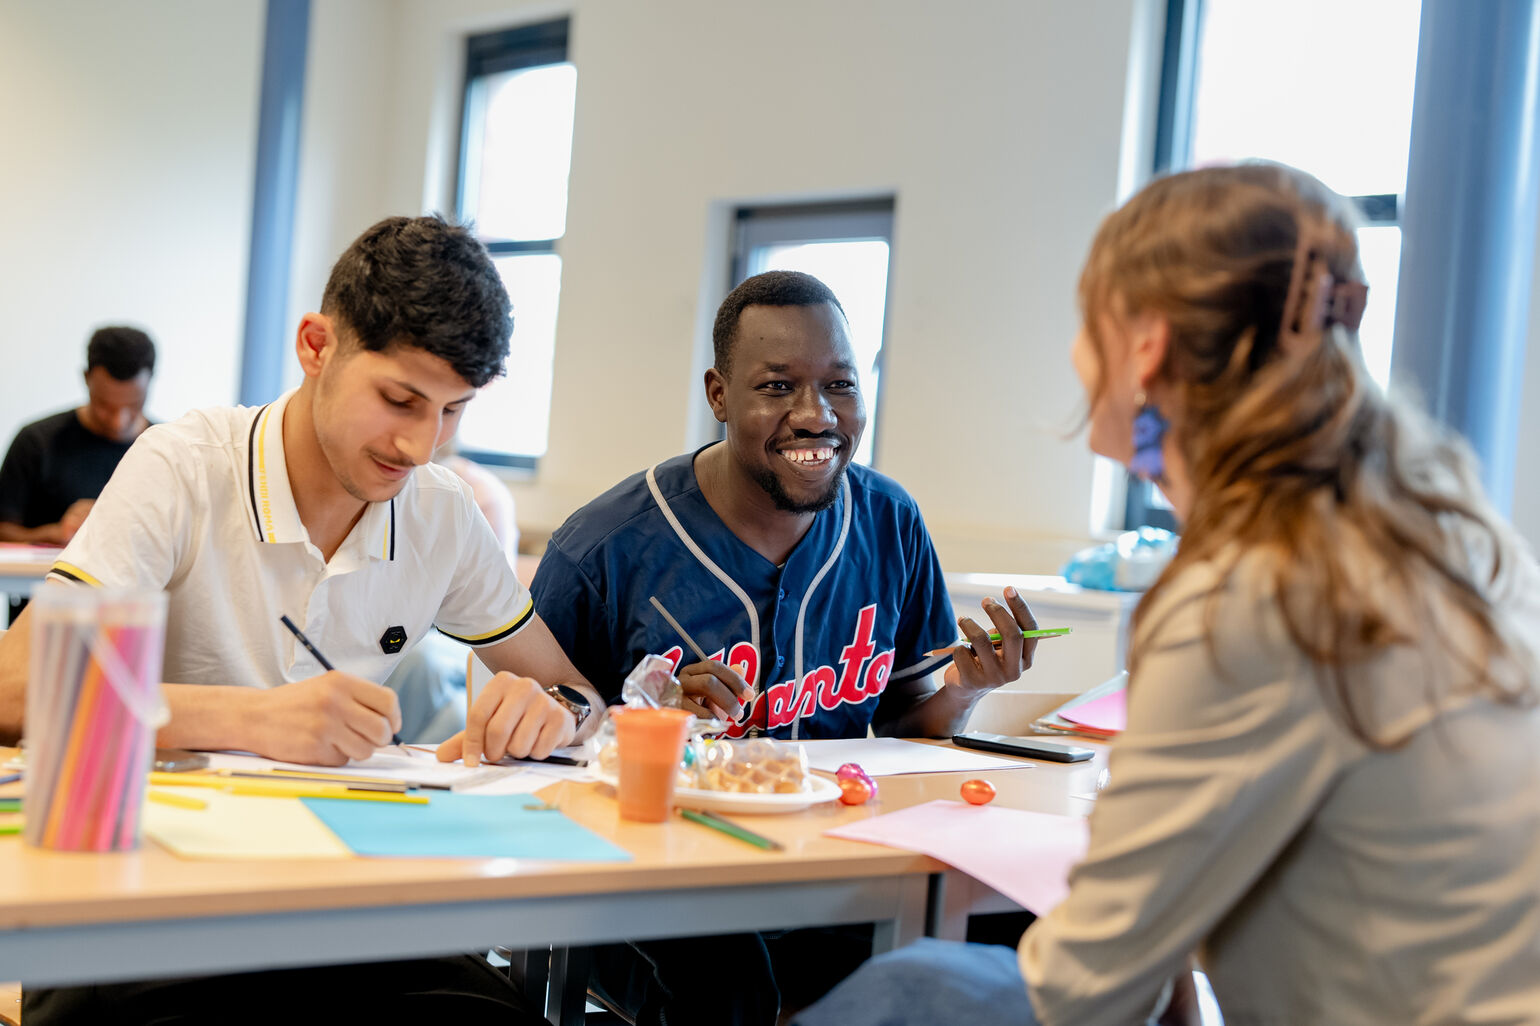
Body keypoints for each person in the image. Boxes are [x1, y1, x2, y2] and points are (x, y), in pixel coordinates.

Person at [793, 163, 1540, 1026]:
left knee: (912, 989)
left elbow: (1083, 988)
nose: (1077, 353)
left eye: (1087, 323)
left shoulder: (1247, 598)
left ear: (1145, 349)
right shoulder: (1457, 542)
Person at [0, 215, 599, 1025]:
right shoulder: (185, 465)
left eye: (453, 413)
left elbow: (575, 693)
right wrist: (253, 719)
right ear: (317, 346)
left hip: (349, 908)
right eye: (400, 399)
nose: (422, 445)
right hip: (148, 911)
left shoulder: (441, 514)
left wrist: (552, 710)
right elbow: (15, 689)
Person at [526, 270, 1042, 1025]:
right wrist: (646, 723)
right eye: (777, 386)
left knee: (1023, 922)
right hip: (648, 887)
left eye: (840, 385)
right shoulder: (606, 547)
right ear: (718, 395)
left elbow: (905, 729)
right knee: (733, 979)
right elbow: (525, 757)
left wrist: (967, 688)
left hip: (826, 867)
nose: (816, 415)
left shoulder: (889, 521)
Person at [0, 325, 156, 547]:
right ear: (86, 378)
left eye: (133, 405)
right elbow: (3, 530)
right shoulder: (36, 441)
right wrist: (53, 533)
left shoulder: (170, 449)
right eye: (104, 405)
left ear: (150, 382)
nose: (118, 421)